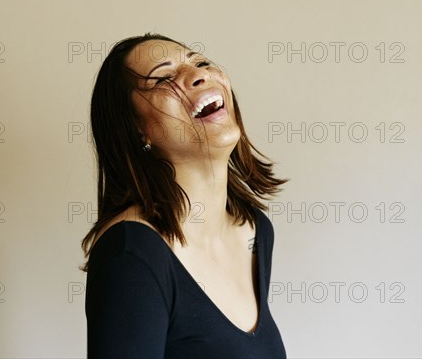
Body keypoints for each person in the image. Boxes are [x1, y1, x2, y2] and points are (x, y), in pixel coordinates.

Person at [79, 32, 289, 358]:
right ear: (137, 130)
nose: (199, 75)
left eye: (201, 62)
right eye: (164, 78)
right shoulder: (131, 255)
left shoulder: (254, 231)